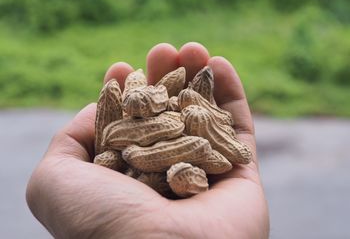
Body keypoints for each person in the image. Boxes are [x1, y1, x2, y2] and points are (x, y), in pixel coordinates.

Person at [26, 42, 270, 238]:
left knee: (192, 124)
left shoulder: (185, 117)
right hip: (159, 158)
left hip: (181, 151)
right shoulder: (123, 141)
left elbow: (208, 144)